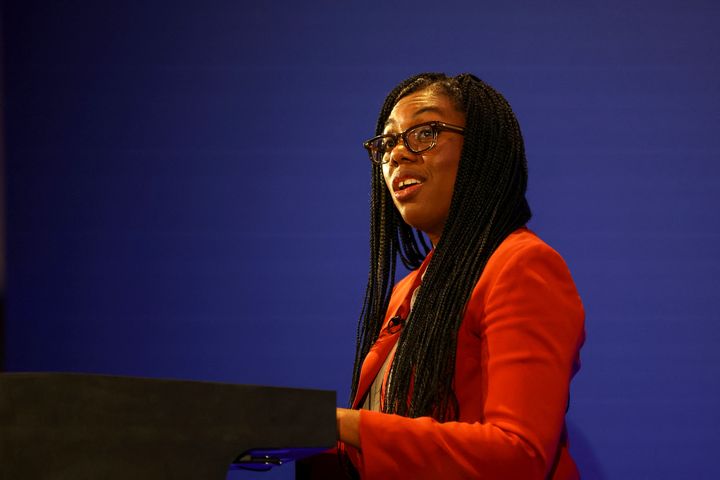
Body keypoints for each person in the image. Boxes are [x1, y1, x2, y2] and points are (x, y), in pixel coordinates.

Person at [335, 73, 585, 479]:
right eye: (387, 142)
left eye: (426, 132)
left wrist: (344, 425)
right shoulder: (407, 291)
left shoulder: (522, 265)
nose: (397, 155)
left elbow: (517, 455)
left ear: (481, 152)